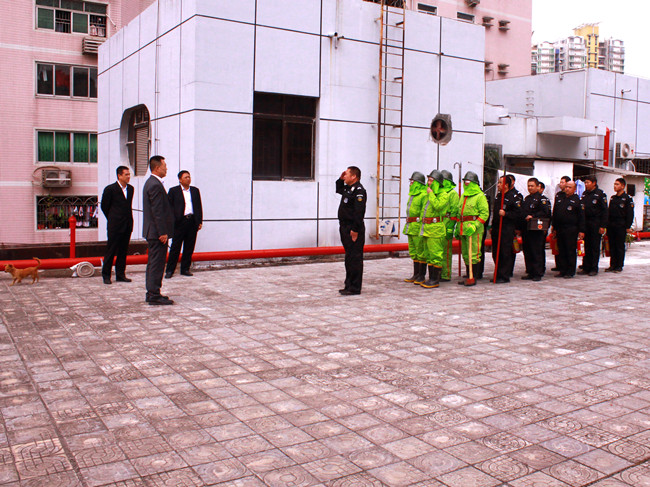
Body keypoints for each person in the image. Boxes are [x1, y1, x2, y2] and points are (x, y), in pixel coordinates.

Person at [143, 155, 175, 305]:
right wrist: (162, 232)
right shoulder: (155, 185)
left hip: (154, 231)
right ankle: (154, 294)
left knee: (153, 263)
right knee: (156, 264)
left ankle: (152, 292)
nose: (166, 168)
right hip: (157, 233)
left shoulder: (152, 183)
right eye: (164, 166)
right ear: (157, 168)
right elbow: (157, 211)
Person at [165, 171, 203, 279]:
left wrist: (199, 221)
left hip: (192, 221)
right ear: (180, 179)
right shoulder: (174, 191)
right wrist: (172, 221)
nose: (188, 179)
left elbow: (198, 206)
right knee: (175, 247)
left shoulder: (195, 191)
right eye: (186, 177)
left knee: (189, 246)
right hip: (179, 222)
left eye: (189, 177)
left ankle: (185, 268)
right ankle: (170, 270)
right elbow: (169, 207)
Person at [100, 166, 134, 285]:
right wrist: (113, 218)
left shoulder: (131, 189)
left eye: (129, 174)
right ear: (119, 176)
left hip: (127, 224)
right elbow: (104, 206)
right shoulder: (110, 189)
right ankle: (106, 275)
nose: (128, 177)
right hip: (115, 225)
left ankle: (120, 274)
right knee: (111, 250)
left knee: (123, 251)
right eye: (126, 174)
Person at [336, 166, 367, 295]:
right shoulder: (349, 189)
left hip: (353, 228)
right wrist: (340, 179)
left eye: (347, 174)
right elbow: (338, 189)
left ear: (354, 176)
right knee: (349, 257)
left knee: (355, 258)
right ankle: (348, 285)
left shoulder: (359, 191)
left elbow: (359, 212)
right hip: (344, 227)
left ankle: (354, 287)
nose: (345, 176)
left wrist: (355, 230)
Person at [456, 171, 489, 286]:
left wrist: (476, 224)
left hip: (474, 229)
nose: (466, 184)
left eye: (468, 181)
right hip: (463, 228)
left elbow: (484, 213)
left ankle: (473, 276)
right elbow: (459, 212)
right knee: (465, 253)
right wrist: (457, 228)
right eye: (465, 182)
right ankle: (468, 274)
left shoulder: (480, 196)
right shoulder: (463, 196)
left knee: (474, 253)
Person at [419, 170, 449, 288]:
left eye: (431, 180)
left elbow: (438, 206)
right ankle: (430, 277)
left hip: (436, 229)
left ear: (437, 182)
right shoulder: (428, 194)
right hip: (427, 228)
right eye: (428, 180)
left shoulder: (443, 195)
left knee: (436, 254)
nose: (429, 183)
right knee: (428, 254)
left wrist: (431, 194)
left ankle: (435, 279)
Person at [550, 180, 584, 278]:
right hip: (560, 228)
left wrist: (581, 230)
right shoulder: (560, 198)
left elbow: (581, 217)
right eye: (566, 187)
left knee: (570, 250)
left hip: (571, 228)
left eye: (570, 187)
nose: (567, 189)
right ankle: (563, 270)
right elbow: (555, 213)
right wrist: (554, 226)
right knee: (561, 249)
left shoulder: (577, 200)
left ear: (574, 189)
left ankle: (570, 271)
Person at [491, 175, 522, 283]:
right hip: (496, 228)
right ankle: (497, 273)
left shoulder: (513, 197)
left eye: (500, 183)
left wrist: (506, 214)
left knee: (505, 253)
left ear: (506, 185)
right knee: (496, 253)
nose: (498, 185)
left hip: (506, 229)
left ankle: (504, 275)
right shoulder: (498, 196)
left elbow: (518, 214)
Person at [521, 178, 551, 281]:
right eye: (528, 186)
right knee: (528, 251)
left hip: (536, 229)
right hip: (527, 229)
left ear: (538, 187)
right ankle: (530, 271)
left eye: (532, 186)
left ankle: (538, 273)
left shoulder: (541, 199)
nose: (530, 188)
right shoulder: (527, 199)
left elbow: (545, 212)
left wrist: (533, 216)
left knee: (536, 251)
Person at [579, 175, 608, 276]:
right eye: (585, 183)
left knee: (594, 246)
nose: (586, 184)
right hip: (586, 223)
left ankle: (594, 268)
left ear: (594, 183)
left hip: (596, 223)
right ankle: (586, 267)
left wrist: (602, 226)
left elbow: (605, 211)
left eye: (588, 182)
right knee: (586, 246)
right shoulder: (584, 194)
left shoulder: (600, 194)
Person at [403, 171, 428, 283]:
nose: (410, 183)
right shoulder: (412, 195)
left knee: (420, 251)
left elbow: (424, 212)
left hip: (418, 226)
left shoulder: (423, 195)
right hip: (411, 226)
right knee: (413, 251)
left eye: (412, 181)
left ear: (418, 183)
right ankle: (416, 274)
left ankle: (421, 275)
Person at [606, 177, 635, 273]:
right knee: (612, 245)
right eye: (614, 184)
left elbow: (630, 214)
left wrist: (628, 226)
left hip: (621, 225)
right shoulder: (613, 198)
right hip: (612, 225)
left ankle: (619, 265)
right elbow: (609, 213)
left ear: (622, 186)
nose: (615, 186)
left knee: (619, 246)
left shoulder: (627, 199)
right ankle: (612, 264)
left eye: (617, 184)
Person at [440, 170, 459, 282]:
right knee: (437, 251)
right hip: (438, 224)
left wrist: (450, 227)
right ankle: (437, 271)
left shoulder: (452, 194)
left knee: (446, 252)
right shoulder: (438, 192)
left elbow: (454, 212)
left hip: (447, 224)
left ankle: (445, 274)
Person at [551, 176, 571, 272]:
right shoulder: (558, 195)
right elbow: (555, 210)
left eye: (563, 182)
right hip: (559, 226)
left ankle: (569, 269)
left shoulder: (573, 197)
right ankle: (560, 266)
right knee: (559, 247)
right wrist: (553, 225)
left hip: (569, 227)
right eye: (560, 182)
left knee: (568, 248)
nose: (561, 184)